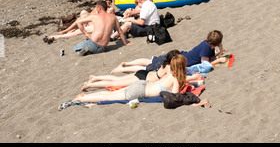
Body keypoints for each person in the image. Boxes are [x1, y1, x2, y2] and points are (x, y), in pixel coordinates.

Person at [65, 54, 212, 107]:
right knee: (109, 97)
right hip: (140, 90)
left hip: (142, 84)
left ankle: (85, 96)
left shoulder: (170, 73)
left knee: (110, 93)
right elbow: (175, 98)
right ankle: (82, 99)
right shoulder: (175, 78)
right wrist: (193, 102)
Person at [81, 49, 180, 91]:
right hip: (142, 78)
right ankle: (90, 85)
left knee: (116, 79)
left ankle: (95, 78)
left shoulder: (164, 64)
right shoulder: (169, 68)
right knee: (115, 83)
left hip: (144, 73)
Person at [142, 30, 224, 73]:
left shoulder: (208, 44)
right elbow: (205, 64)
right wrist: (219, 60)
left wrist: (220, 52)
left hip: (180, 55)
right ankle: (128, 65)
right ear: (217, 43)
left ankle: (128, 64)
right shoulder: (206, 48)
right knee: (148, 67)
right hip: (178, 60)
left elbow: (211, 58)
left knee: (152, 61)